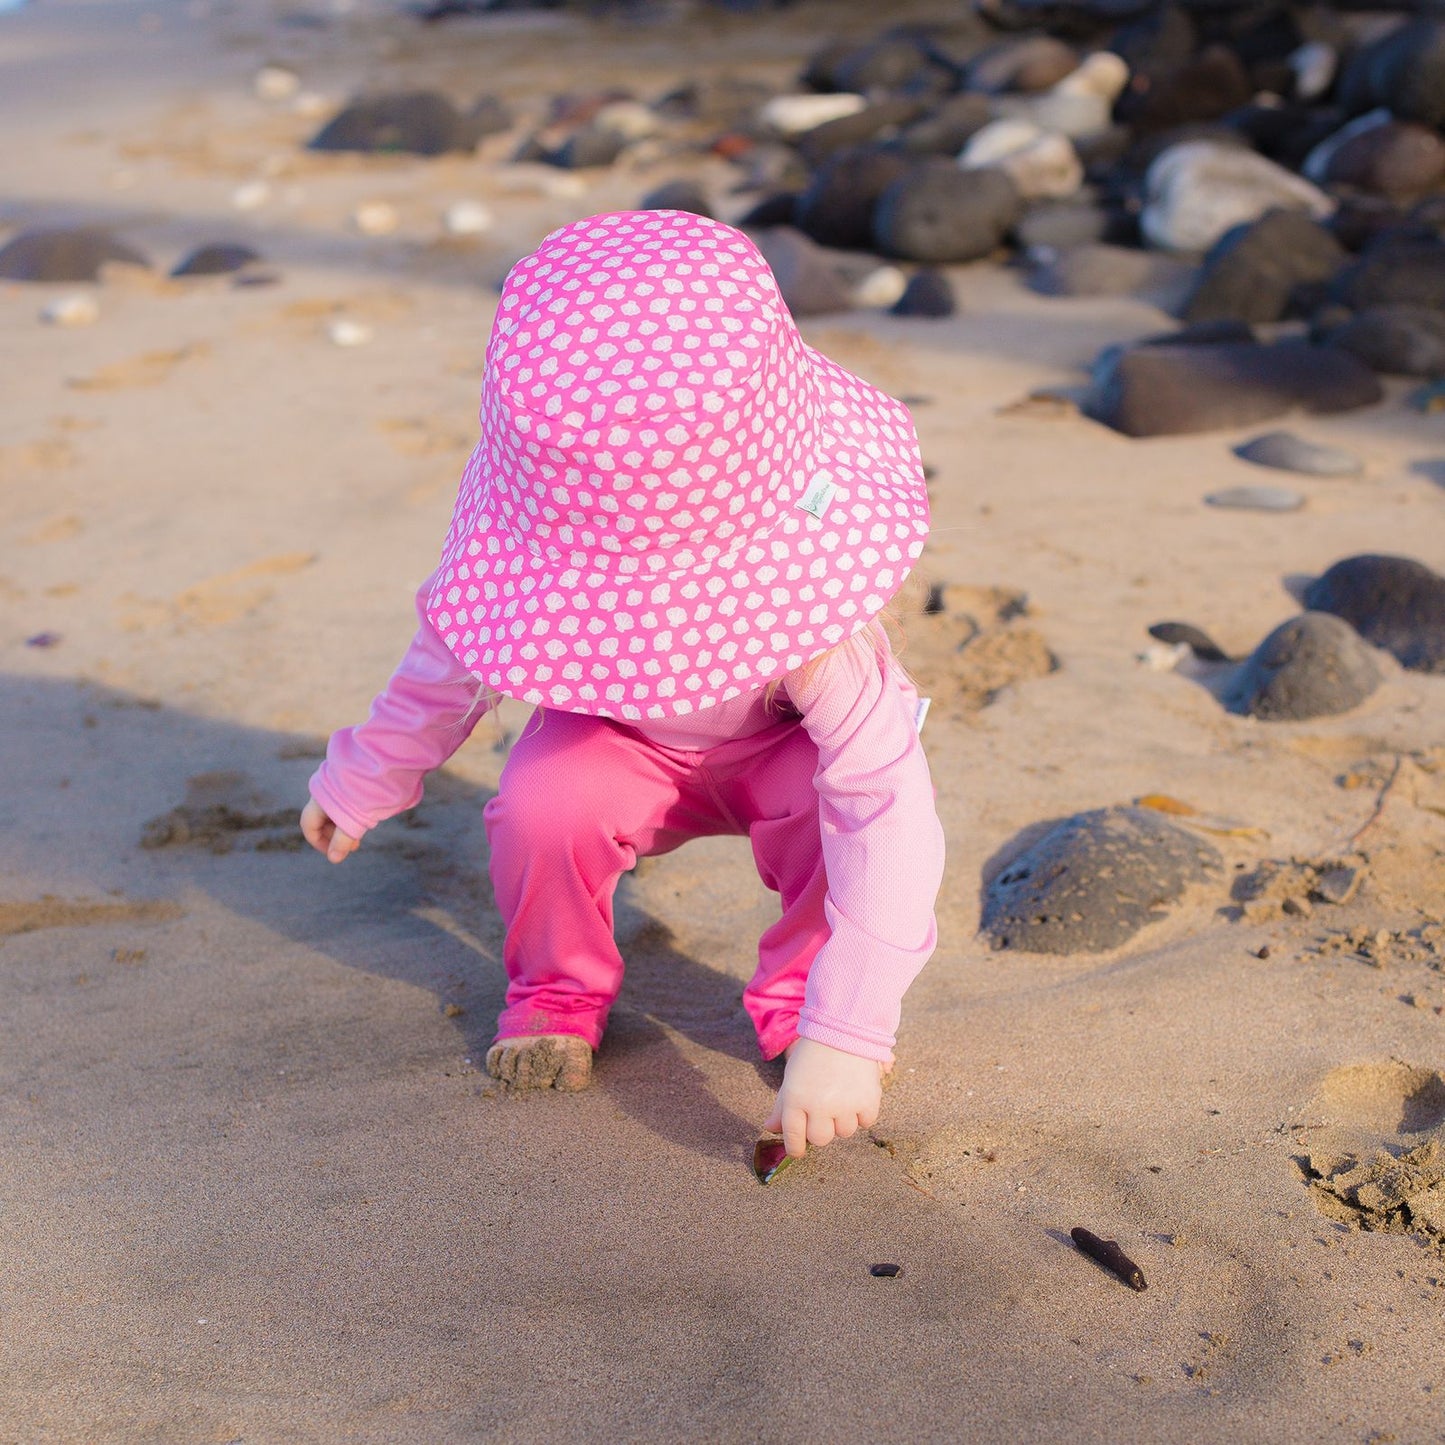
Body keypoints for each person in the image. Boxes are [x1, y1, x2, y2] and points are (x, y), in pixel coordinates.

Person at [300, 210, 945, 1159]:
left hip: (778, 751)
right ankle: (556, 985)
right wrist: (366, 774)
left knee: (826, 811)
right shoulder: (531, 573)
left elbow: (888, 811)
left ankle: (809, 993)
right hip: (620, 742)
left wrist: (852, 1029)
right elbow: (448, 662)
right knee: (540, 802)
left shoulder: (819, 625)